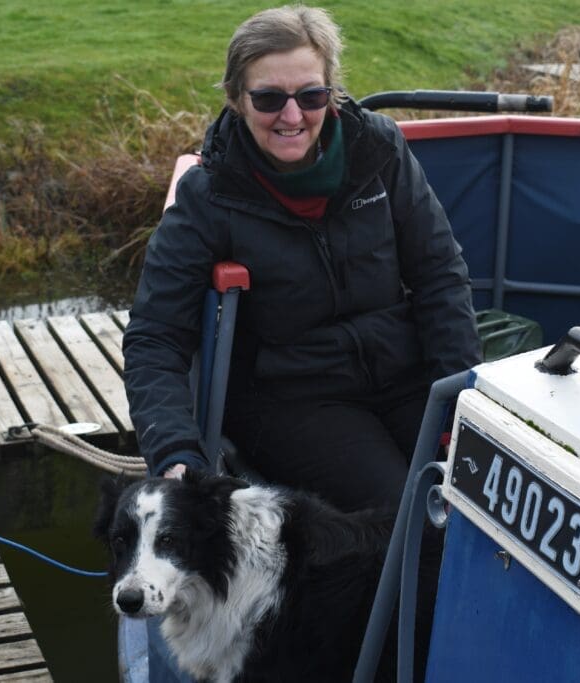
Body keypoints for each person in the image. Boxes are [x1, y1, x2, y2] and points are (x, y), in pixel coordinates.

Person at [123, 4, 481, 514]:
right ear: (235, 99)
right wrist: (175, 451)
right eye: (269, 98)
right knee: (407, 510)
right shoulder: (210, 196)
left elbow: (439, 274)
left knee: (482, 486)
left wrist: (460, 397)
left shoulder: (378, 151)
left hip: (406, 377)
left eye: (311, 95)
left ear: (331, 92)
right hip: (294, 400)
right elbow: (155, 336)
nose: (292, 117)